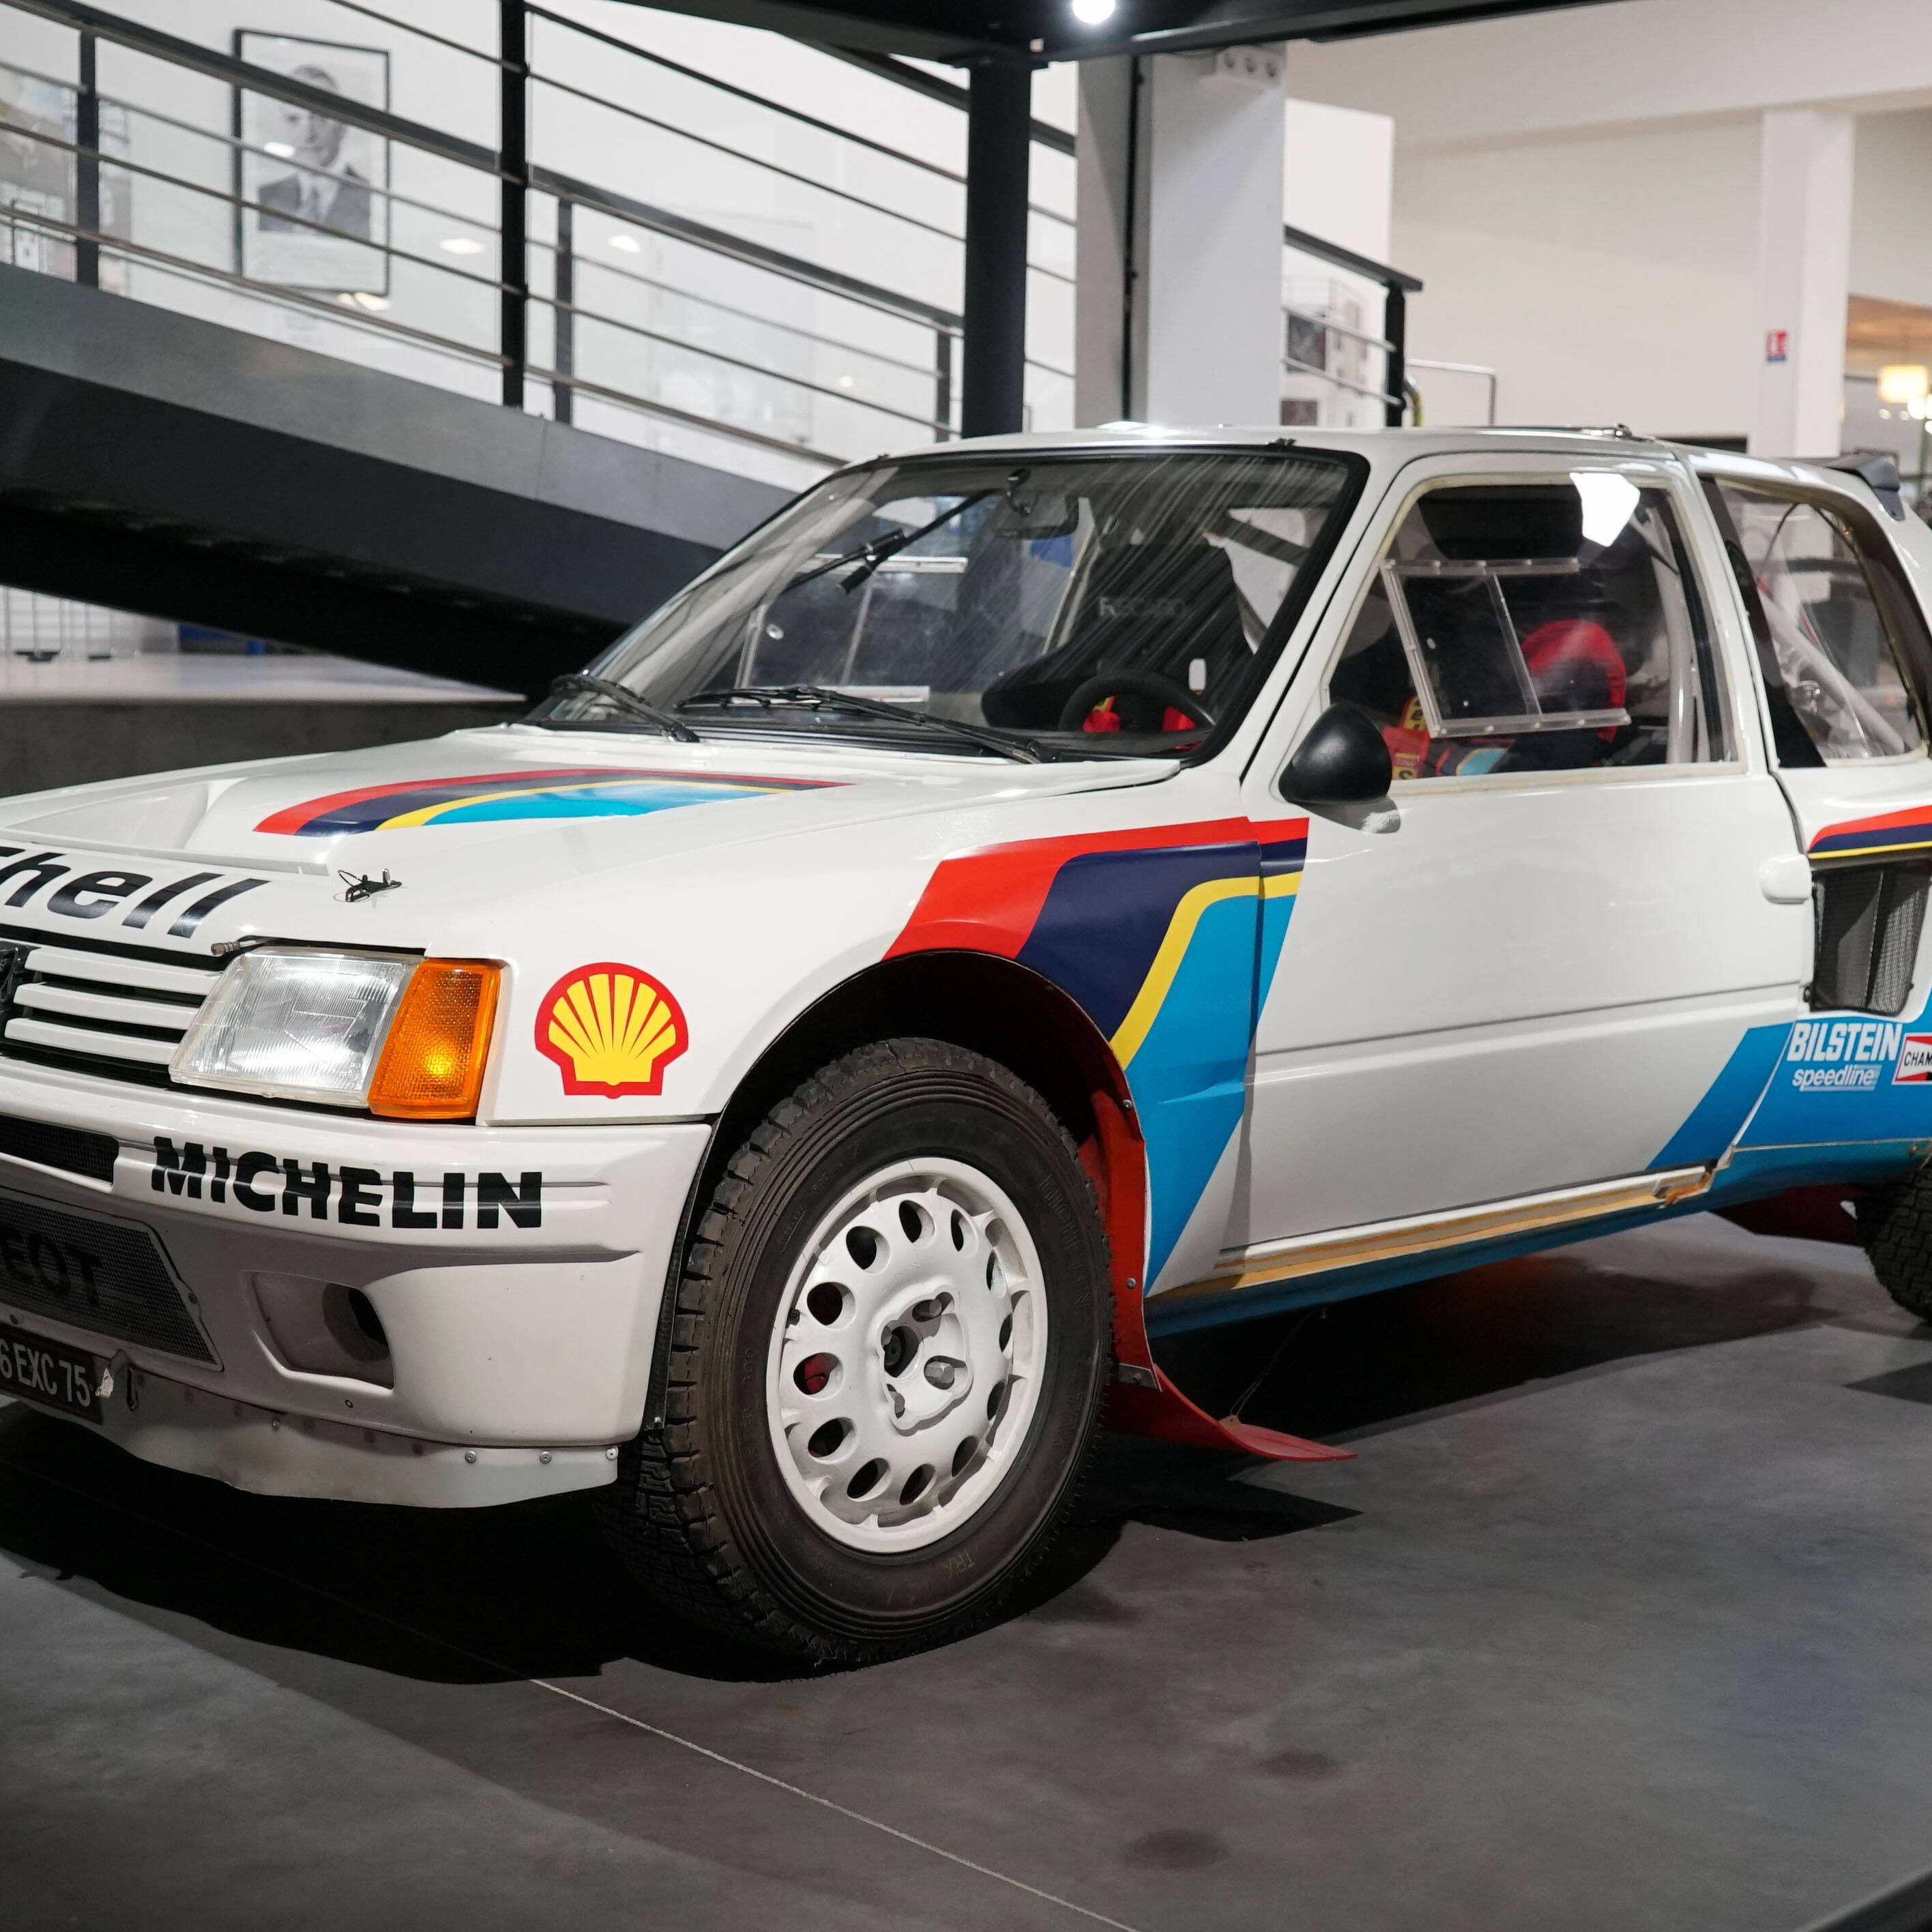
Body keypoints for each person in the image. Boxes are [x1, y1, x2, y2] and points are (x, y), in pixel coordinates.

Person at [257, 65, 371, 241]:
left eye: (320, 118)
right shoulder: (264, 199)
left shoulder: (373, 200)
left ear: (343, 126)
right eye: (294, 120)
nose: (308, 134)